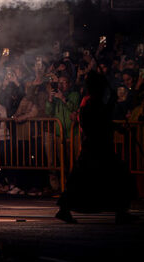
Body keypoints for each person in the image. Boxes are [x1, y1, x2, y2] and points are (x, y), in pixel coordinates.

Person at [55, 72, 137, 224]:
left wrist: (116, 125)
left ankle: (121, 211)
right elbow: (99, 121)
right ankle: (120, 211)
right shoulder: (91, 104)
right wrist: (112, 103)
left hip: (97, 146)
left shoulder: (93, 103)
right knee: (107, 177)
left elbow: (103, 120)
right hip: (96, 146)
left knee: (105, 178)